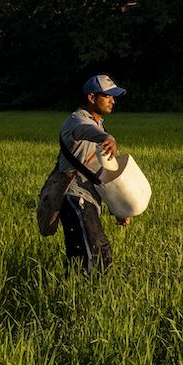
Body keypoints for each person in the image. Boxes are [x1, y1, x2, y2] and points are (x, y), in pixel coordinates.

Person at [57, 74, 131, 274]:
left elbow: (100, 174)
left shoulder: (98, 123)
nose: (113, 101)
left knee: (80, 256)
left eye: (113, 97)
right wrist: (107, 136)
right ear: (91, 98)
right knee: (98, 250)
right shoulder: (77, 121)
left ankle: (75, 292)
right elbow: (84, 130)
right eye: (107, 96)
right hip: (75, 197)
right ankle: (94, 294)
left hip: (87, 198)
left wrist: (119, 208)